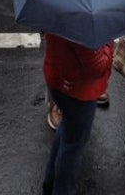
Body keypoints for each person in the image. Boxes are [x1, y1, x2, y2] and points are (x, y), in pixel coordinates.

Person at [41, 32, 113, 195]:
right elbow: (98, 67)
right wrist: (108, 42)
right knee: (73, 145)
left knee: (67, 131)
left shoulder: (59, 10)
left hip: (57, 79)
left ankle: (50, 181)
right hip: (79, 92)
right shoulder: (85, 27)